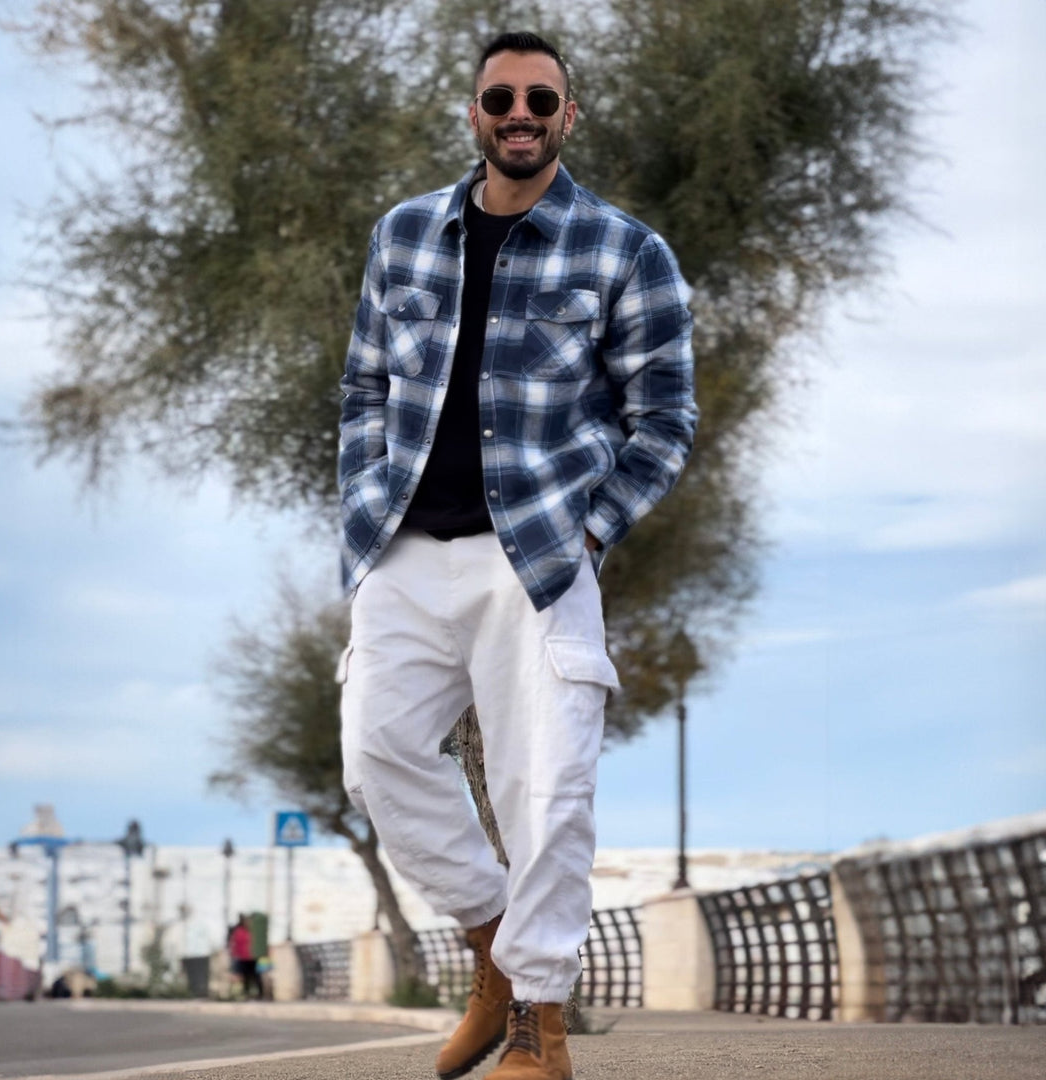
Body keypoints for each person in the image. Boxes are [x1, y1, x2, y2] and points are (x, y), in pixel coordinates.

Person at [338, 30, 697, 1080]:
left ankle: (538, 1020)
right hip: (404, 547)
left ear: (568, 115)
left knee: (549, 787)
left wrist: (591, 529)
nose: (521, 113)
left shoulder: (625, 251)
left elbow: (665, 419)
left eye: (542, 98)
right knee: (377, 753)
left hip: (535, 557)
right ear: (475, 112)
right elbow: (365, 389)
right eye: (501, 97)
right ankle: (493, 942)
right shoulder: (404, 235)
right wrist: (364, 503)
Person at [227, 914, 262, 999]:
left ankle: (260, 994)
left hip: (254, 957)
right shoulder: (238, 931)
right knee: (246, 976)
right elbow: (234, 944)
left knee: (257, 976)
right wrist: (234, 955)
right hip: (243, 958)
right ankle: (247, 994)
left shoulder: (254, 931)